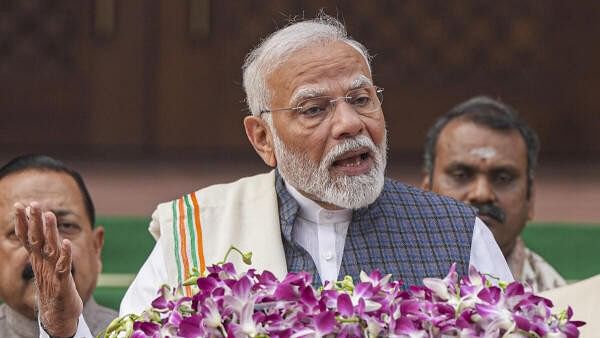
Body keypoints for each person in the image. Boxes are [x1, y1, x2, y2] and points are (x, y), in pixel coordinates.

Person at [18, 16, 512, 338]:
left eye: (362, 100)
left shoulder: (453, 230)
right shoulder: (198, 228)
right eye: (314, 108)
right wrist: (63, 328)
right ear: (262, 139)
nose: (350, 124)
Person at [421, 96, 566, 293]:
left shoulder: (555, 302)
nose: (482, 194)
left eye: (503, 178)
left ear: (530, 200)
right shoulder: (389, 292)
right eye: (461, 175)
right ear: (425, 192)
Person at [0, 155, 116, 337]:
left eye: (66, 226)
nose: (47, 246)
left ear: (96, 247)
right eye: (21, 230)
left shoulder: (142, 332)